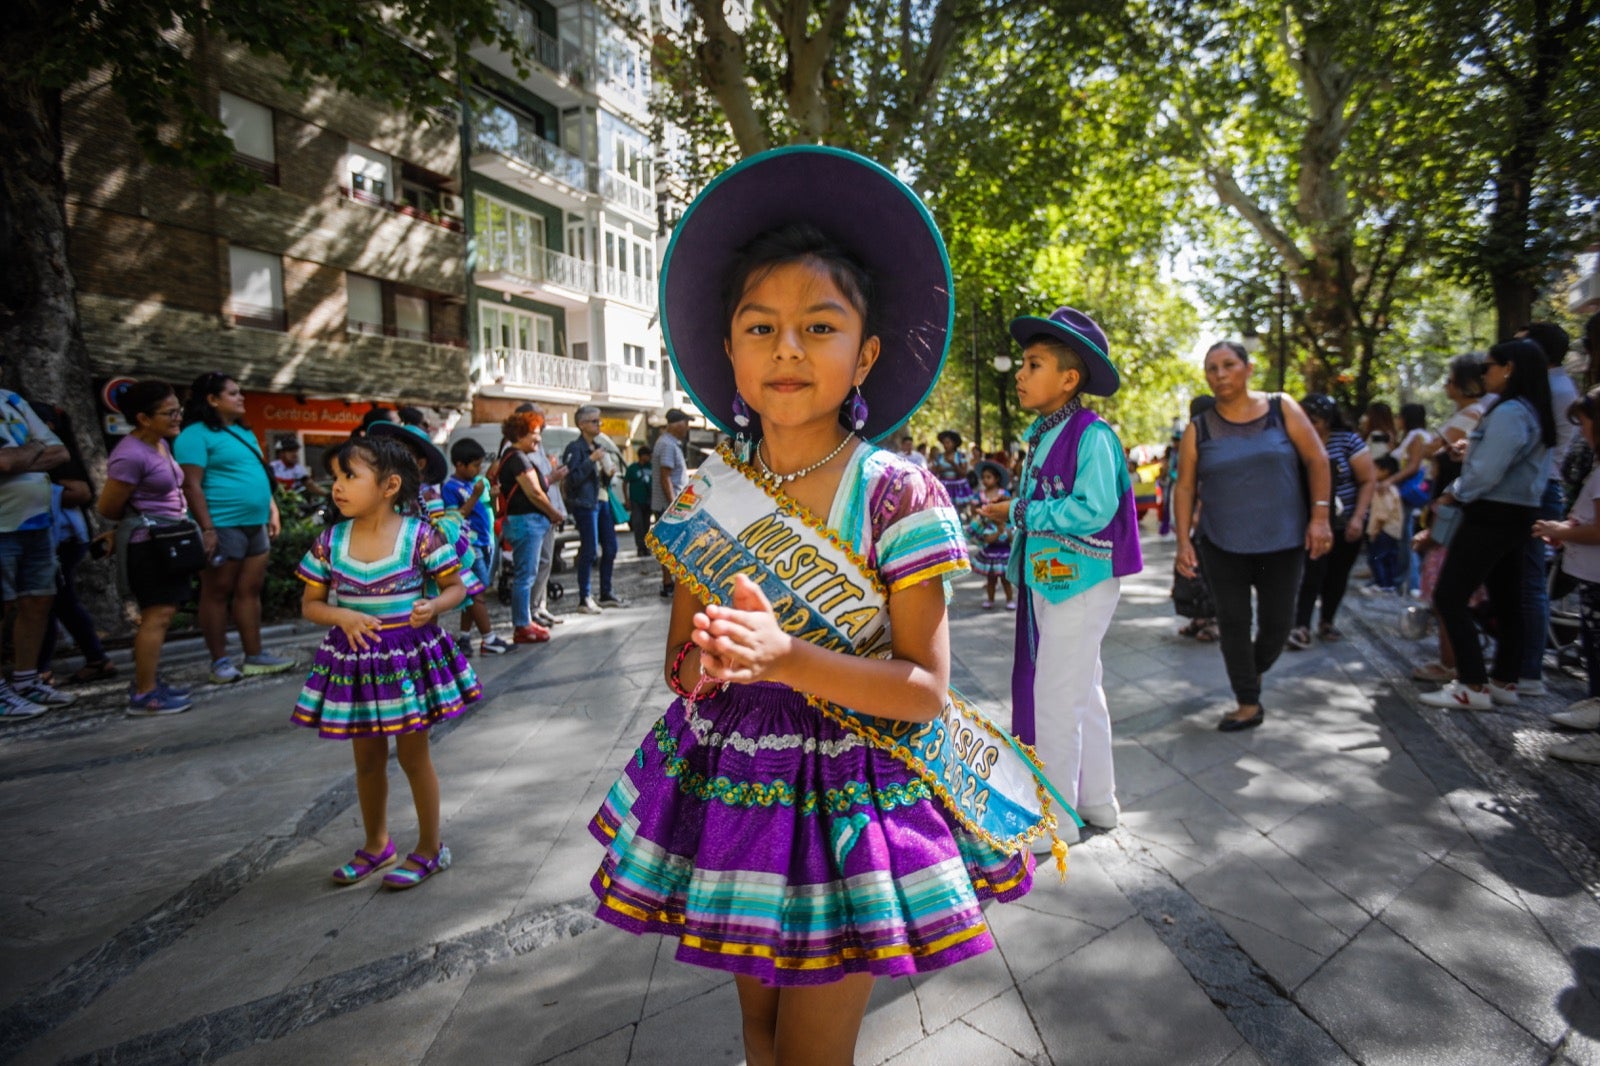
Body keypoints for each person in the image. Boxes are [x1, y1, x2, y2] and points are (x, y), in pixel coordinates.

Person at [589, 147, 1070, 1066]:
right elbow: (683, 667)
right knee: (758, 1032)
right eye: (761, 328)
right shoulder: (708, 492)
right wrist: (711, 660)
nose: (789, 349)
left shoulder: (898, 493)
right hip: (736, 788)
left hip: (855, 792)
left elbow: (925, 688)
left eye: (820, 326)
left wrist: (786, 656)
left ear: (866, 355)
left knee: (816, 1048)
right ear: (727, 350)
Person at [981, 304, 1142, 846]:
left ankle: (1056, 819)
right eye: (1022, 364)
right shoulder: (1046, 434)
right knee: (1081, 690)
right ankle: (1097, 802)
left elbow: (1093, 509)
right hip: (1051, 580)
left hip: (1081, 581)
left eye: (1032, 364)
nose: (1020, 375)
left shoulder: (1093, 436)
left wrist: (1019, 513)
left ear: (1069, 379)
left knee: (1056, 695)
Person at [293, 434, 479, 889]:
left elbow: (457, 587)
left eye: (349, 476)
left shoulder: (421, 536)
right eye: (335, 477)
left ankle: (430, 848)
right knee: (367, 760)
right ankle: (377, 845)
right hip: (357, 665)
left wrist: (434, 607)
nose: (337, 486)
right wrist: (341, 615)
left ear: (390, 484)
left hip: (408, 661)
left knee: (415, 758)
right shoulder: (329, 542)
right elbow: (311, 605)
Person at [1173, 341, 1333, 731]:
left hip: (1283, 542)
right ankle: (1247, 701)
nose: (1220, 374)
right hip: (1221, 543)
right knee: (1233, 622)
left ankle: (1251, 670)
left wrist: (1320, 517)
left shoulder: (1282, 408)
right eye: (1212, 368)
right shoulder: (1200, 428)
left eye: (1229, 365)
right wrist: (1182, 542)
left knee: (1278, 626)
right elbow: (1184, 487)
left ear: (1248, 368)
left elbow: (1317, 459)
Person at [1417, 339, 1554, 710]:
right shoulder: (1529, 410)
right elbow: (1504, 460)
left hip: (1492, 512)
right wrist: (1472, 453)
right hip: (1517, 511)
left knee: (1449, 594)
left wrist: (1454, 492)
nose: (1483, 375)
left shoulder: (1510, 412)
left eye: (1488, 367)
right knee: (1507, 597)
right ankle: (1503, 681)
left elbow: (1488, 473)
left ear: (1508, 368)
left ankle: (1472, 684)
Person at [174, 372, 294, 684]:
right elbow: (191, 484)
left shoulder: (244, 432)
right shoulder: (194, 435)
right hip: (222, 524)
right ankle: (220, 662)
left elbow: (257, 474)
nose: (241, 398)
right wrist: (207, 528)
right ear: (212, 400)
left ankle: (254, 656)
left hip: (256, 523)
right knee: (216, 592)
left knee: (250, 590)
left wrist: (272, 510)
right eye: (233, 393)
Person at [97, 383, 196, 715]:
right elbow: (108, 507)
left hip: (169, 538)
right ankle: (144, 694)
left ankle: (149, 681)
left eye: (177, 410)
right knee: (157, 615)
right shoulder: (129, 454)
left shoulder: (160, 444)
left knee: (164, 614)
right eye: (169, 413)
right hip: (148, 544)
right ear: (142, 417)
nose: (177, 417)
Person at [1412, 354, 1490, 684]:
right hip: (1450, 509)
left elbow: (1424, 451)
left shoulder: (1473, 414)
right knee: (1449, 594)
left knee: (1447, 594)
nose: (1445, 385)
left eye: (1450, 378)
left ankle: (1451, 666)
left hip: (1454, 513)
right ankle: (1454, 663)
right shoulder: (1473, 414)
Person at [1534, 387, 1600, 764]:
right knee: (1592, 647)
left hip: (1595, 575)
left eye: (1584, 424)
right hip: (1589, 575)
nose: (1581, 434)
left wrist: (1560, 532)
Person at [30, 399, 115, 687]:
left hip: (61, 536)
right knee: (57, 601)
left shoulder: (54, 452)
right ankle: (94, 658)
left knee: (48, 600)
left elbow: (81, 492)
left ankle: (39, 671)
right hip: (51, 533)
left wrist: (36, 487)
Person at [0, 387, 74, 717]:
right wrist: (34, 450)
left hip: (37, 522)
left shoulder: (11, 400)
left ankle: (26, 681)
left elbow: (60, 453)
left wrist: (16, 458)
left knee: (39, 600)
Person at [1513, 322, 1577, 696]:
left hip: (1541, 489)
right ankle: (1520, 661)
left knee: (1530, 582)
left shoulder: (1552, 389)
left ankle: (1528, 668)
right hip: (1540, 487)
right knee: (1524, 580)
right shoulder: (1555, 386)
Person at [1287, 394, 1375, 649]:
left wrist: (1358, 517)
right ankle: (1301, 625)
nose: (1308, 424)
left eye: (1313, 420)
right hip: (1312, 522)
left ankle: (1327, 620)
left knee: (1337, 574)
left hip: (1346, 522)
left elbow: (1368, 480)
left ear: (1326, 420)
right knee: (1312, 573)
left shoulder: (1347, 441)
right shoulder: (1297, 442)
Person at [443, 438, 511, 656]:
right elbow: (456, 515)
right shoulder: (451, 487)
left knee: (473, 595)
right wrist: (474, 496)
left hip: (485, 541)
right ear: (459, 465)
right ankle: (488, 638)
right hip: (469, 547)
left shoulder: (478, 483)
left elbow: (490, 509)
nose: (479, 469)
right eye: (474, 465)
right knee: (477, 592)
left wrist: (492, 497)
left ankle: (464, 636)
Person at [498, 411, 561, 643]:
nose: (538, 439)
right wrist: (554, 513)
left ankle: (525, 620)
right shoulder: (517, 459)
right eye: (534, 434)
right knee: (525, 575)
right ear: (520, 434)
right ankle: (522, 625)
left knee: (528, 573)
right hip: (526, 522)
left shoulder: (513, 456)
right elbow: (534, 492)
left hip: (524, 522)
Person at [562, 405, 623, 614]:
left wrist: (608, 472)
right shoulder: (575, 448)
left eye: (599, 421)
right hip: (586, 504)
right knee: (589, 551)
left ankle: (606, 592)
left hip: (602, 501)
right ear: (581, 424)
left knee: (611, 547)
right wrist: (591, 461)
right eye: (594, 421)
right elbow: (572, 479)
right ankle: (584, 597)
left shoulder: (598, 446)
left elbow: (601, 479)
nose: (599, 425)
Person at [1380, 402, 1434, 597]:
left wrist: (1390, 481)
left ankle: (1411, 583)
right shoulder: (1412, 437)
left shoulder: (1417, 437)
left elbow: (1413, 466)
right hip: (1406, 494)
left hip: (1409, 494)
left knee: (1406, 539)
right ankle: (1405, 581)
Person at [650, 408, 690, 598]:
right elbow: (665, 476)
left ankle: (670, 582)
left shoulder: (669, 442)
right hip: (669, 506)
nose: (687, 427)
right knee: (671, 544)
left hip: (669, 505)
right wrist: (674, 505)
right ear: (677, 424)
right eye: (686, 423)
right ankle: (669, 582)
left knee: (669, 544)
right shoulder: (667, 444)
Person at [967, 460, 1015, 609]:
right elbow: (973, 509)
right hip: (987, 526)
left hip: (1003, 527)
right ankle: (991, 599)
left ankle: (1009, 600)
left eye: (989, 477)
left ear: (997, 479)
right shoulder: (980, 494)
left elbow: (1008, 509)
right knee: (991, 578)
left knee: (1006, 578)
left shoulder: (1003, 494)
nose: (985, 480)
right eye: (984, 477)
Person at [1365, 456, 1404, 593]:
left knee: (1376, 557)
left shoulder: (1383, 489)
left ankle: (1381, 583)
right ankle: (1389, 583)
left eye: (1375, 469)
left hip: (1384, 529)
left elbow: (1383, 513)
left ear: (1385, 471)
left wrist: (1376, 530)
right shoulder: (1391, 488)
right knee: (1389, 558)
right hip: (1394, 530)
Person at [930, 429, 972, 507]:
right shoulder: (939, 457)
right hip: (944, 486)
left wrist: (953, 464)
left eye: (948, 443)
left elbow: (964, 473)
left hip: (958, 488)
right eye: (944, 443)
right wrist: (939, 470)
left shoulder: (960, 456)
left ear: (954, 443)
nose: (945, 445)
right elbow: (933, 472)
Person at [624, 444, 653, 554]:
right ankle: (640, 547)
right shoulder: (632, 468)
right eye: (647, 455)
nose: (649, 458)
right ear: (642, 456)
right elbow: (625, 483)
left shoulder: (651, 467)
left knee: (647, 525)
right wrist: (627, 499)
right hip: (636, 500)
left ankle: (646, 546)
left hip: (648, 501)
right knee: (638, 525)